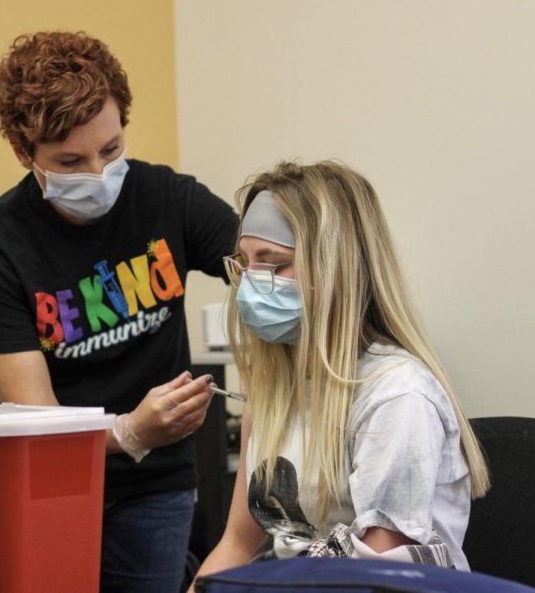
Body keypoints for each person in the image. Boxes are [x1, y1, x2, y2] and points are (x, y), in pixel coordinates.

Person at [0, 31, 239, 592]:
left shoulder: (166, 198)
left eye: (111, 150)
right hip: (43, 483)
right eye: (69, 161)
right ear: (23, 152)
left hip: (156, 485)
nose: (98, 174)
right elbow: (38, 420)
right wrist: (131, 431)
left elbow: (256, 261)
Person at [192, 161, 490, 585]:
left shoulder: (397, 395)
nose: (252, 283)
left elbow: (370, 576)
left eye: (274, 264)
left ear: (336, 269)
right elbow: (238, 544)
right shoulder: (275, 386)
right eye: (245, 263)